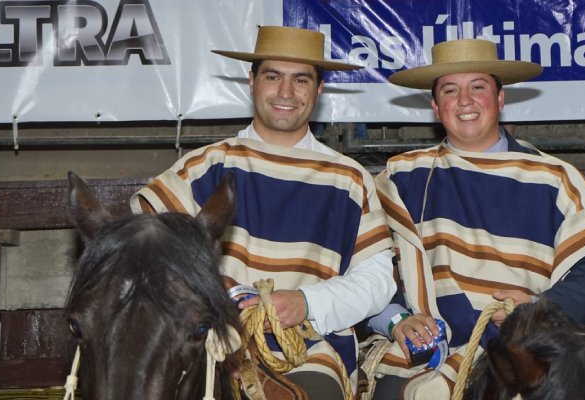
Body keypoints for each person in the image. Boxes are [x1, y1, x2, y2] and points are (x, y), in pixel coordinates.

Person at [130, 26, 395, 399]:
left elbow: (377, 281)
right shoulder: (210, 165)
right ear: (252, 81)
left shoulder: (348, 178)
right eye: (273, 76)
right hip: (210, 345)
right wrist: (220, 296)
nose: (286, 93)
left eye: (300, 79)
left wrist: (306, 303)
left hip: (308, 350)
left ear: (318, 91)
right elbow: (144, 240)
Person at [365, 39, 585, 398]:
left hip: (532, 346)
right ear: (434, 106)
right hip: (433, 350)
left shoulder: (553, 177)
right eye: (450, 90)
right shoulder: (402, 177)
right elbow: (369, 263)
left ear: (501, 98)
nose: (464, 101)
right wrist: (397, 319)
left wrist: (539, 309)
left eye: (478, 87)